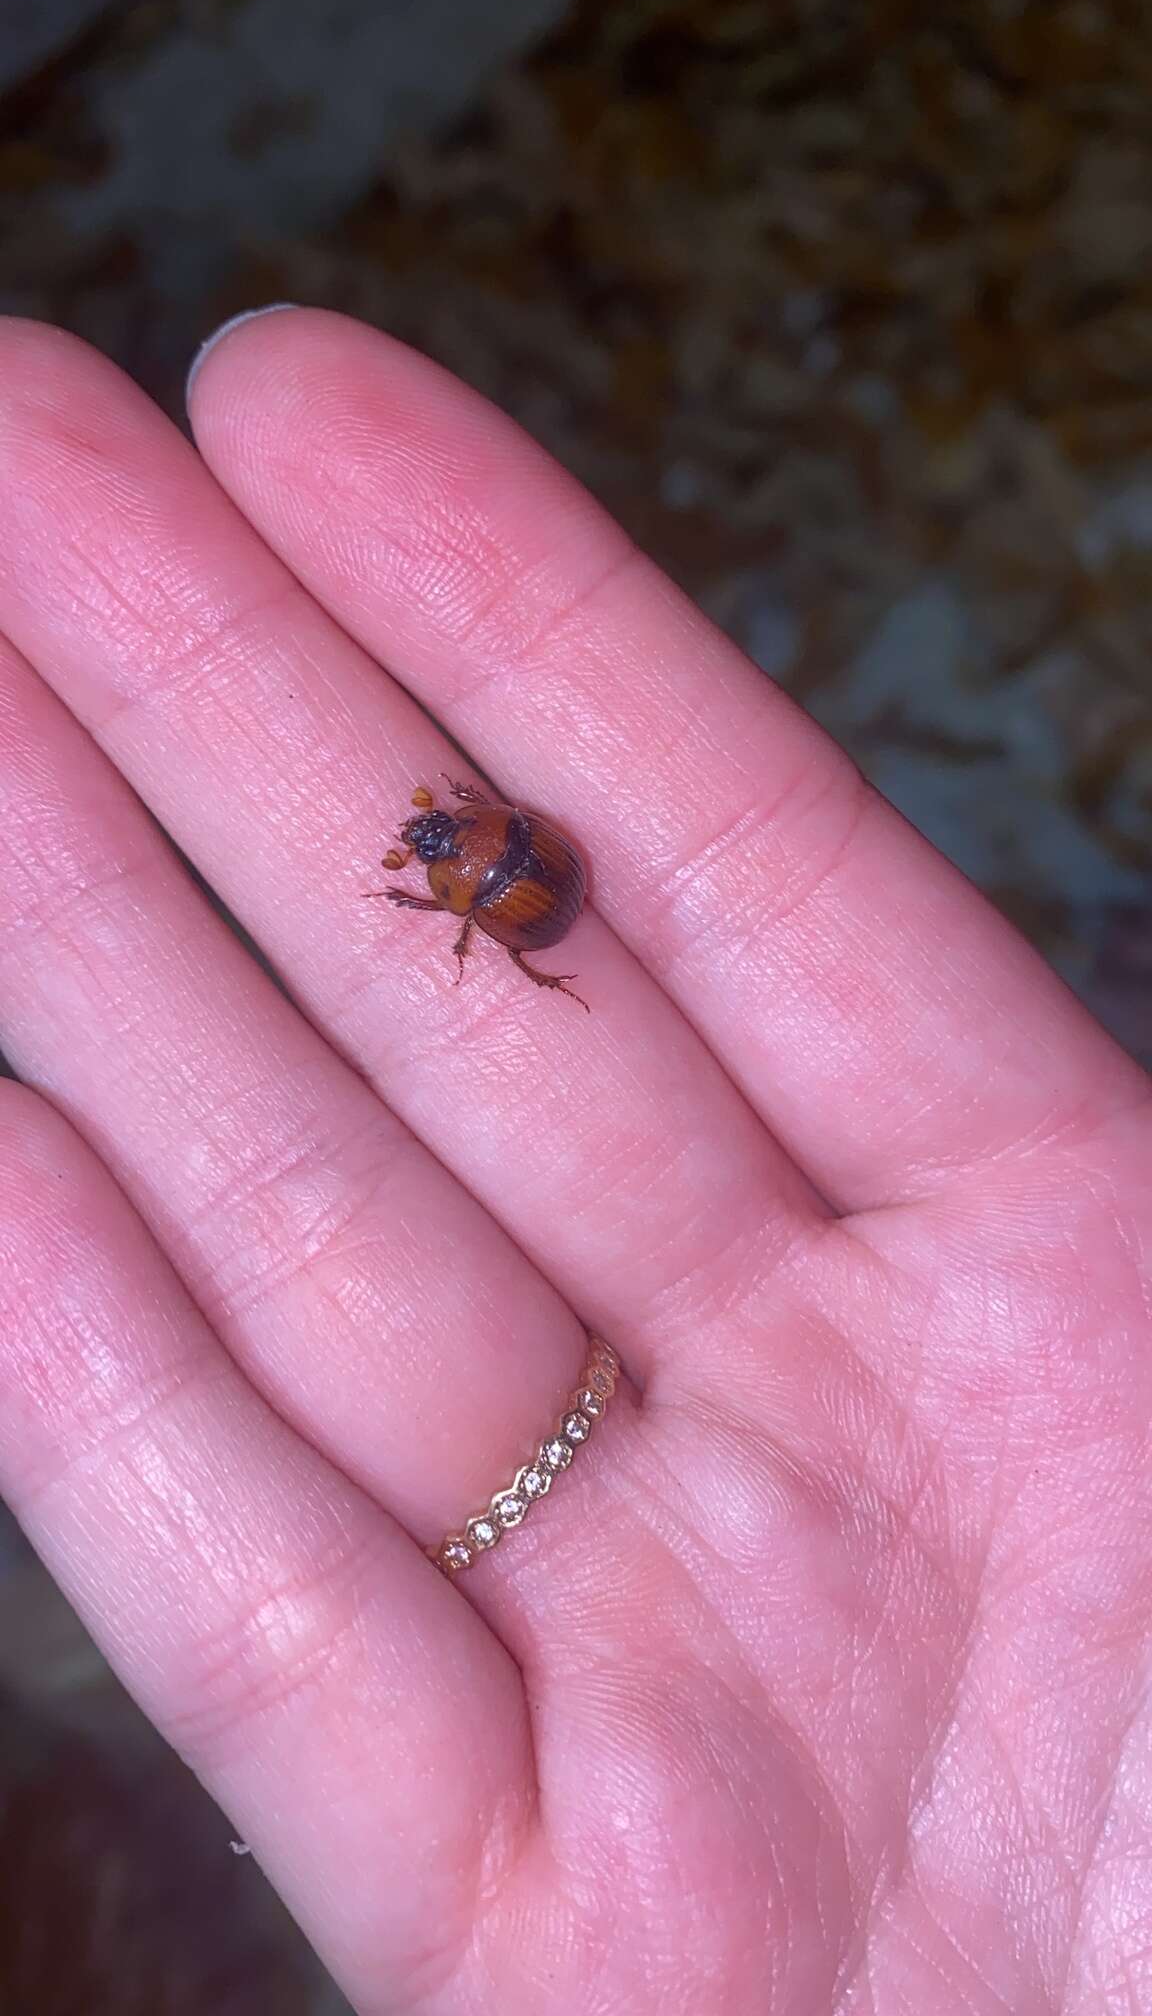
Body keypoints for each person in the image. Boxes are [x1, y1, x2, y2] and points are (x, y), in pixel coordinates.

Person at [0, 305, 1147, 2015]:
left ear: (463, 848)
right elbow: (507, 852)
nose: (428, 840)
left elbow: (515, 858)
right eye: (439, 844)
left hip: (544, 909)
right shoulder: (481, 863)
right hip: (543, 905)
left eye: (436, 841)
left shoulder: (486, 874)